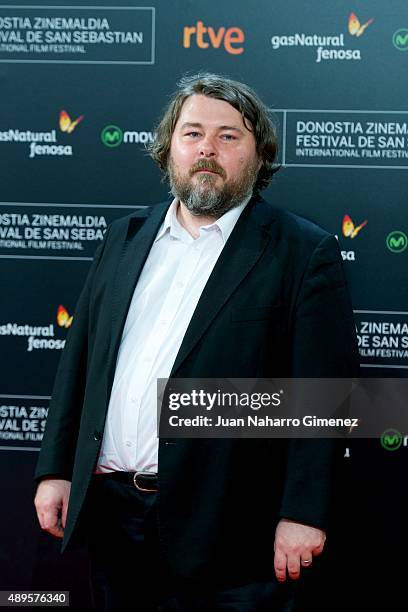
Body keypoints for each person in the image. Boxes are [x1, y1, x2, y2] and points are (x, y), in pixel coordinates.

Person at [34, 73, 359, 612]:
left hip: (229, 533)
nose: (207, 148)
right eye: (193, 133)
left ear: (259, 156)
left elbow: (327, 399)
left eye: (228, 136)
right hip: (113, 519)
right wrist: (56, 470)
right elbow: (80, 363)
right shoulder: (124, 238)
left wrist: (304, 512)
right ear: (169, 148)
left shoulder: (302, 252)